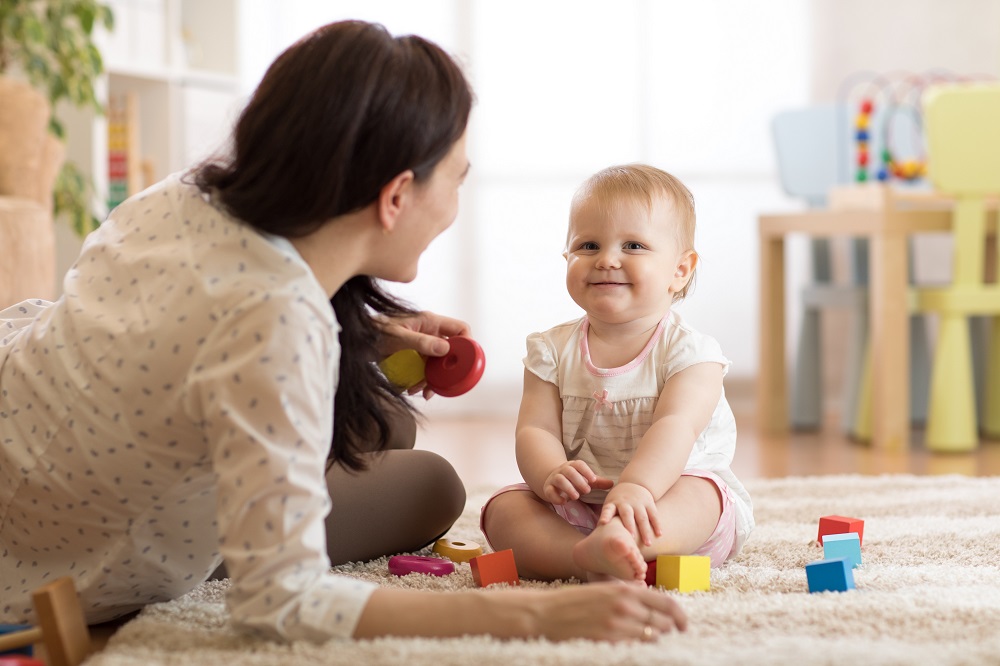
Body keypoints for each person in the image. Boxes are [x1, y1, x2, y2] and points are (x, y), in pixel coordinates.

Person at [0, 21, 687, 644]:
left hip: (30, 421)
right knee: (433, 486)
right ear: (395, 197)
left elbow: (206, 321)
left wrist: (370, 328)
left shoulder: (185, 195)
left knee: (387, 417)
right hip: (67, 559)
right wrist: (536, 614)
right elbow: (281, 603)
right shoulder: (277, 331)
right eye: (455, 181)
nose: (454, 204)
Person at [480, 164, 754, 584]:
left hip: (664, 499)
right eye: (588, 245)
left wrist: (639, 487)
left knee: (703, 496)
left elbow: (675, 426)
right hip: (579, 508)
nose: (606, 259)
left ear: (680, 270)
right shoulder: (550, 350)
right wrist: (551, 472)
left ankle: (625, 544)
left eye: (633, 245)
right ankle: (585, 557)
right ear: (567, 258)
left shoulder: (691, 353)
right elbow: (535, 429)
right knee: (503, 509)